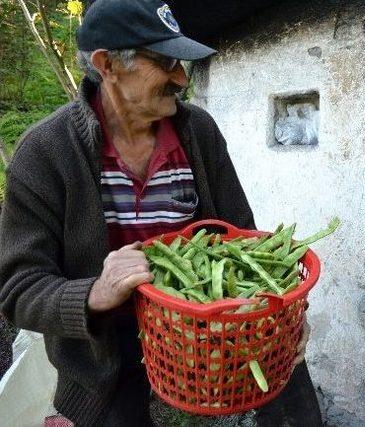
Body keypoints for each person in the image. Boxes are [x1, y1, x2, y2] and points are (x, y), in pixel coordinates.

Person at [0, 0, 322, 425]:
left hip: (214, 330)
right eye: (166, 61)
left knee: (292, 397)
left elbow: (244, 241)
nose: (181, 77)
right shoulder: (47, 152)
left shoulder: (198, 133)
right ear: (107, 64)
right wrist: (96, 291)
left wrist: (281, 320)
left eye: (182, 62)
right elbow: (17, 290)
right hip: (107, 346)